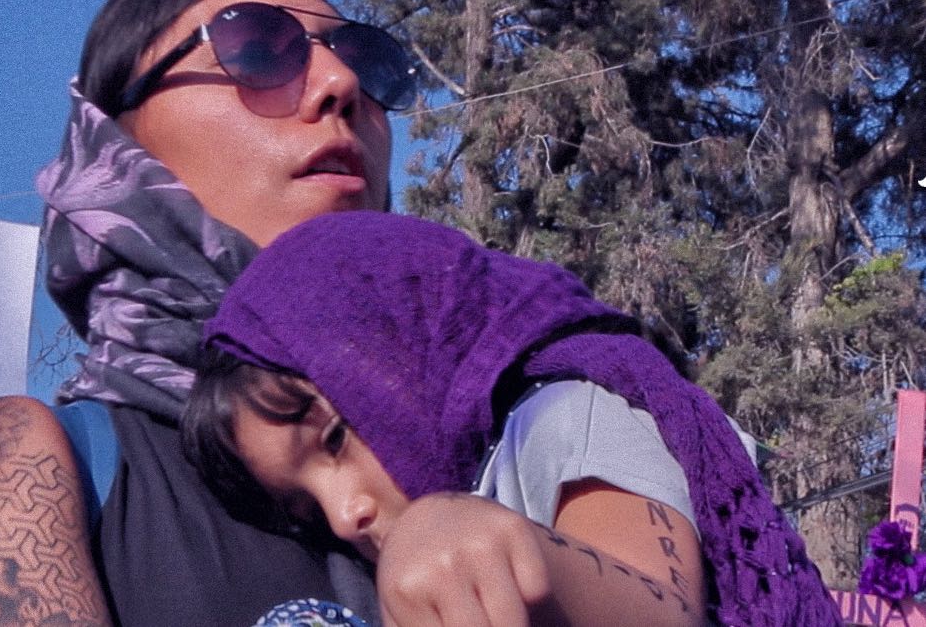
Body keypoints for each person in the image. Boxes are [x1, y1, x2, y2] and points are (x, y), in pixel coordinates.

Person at [0, 0, 416, 625]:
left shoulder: (505, 447)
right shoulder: (9, 465)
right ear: (113, 145)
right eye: (255, 47)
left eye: (368, 61)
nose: (340, 83)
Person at [182, 210, 843, 626]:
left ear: (401, 347)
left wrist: (482, 538)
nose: (342, 517)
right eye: (305, 508)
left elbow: (662, 608)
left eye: (334, 437)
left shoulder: (566, 412)